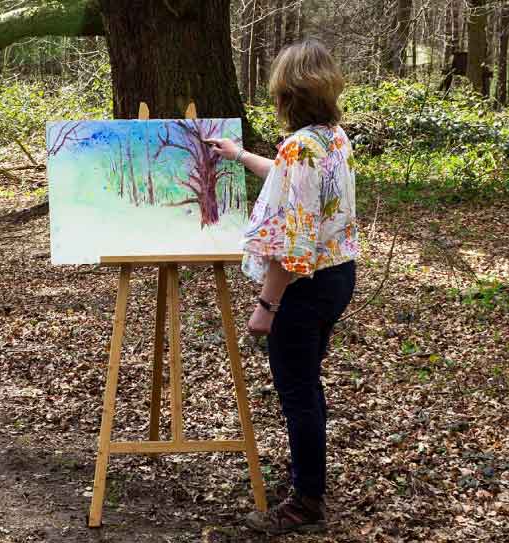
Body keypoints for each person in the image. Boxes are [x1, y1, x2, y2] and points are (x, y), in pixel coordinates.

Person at [205, 37, 357, 535]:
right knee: (307, 386)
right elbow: (289, 181)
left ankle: (306, 501)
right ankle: (310, 483)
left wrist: (266, 305)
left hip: (303, 285)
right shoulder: (332, 138)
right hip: (337, 276)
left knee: (297, 393)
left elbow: (291, 247)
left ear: (286, 94)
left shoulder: (300, 147)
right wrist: (241, 155)